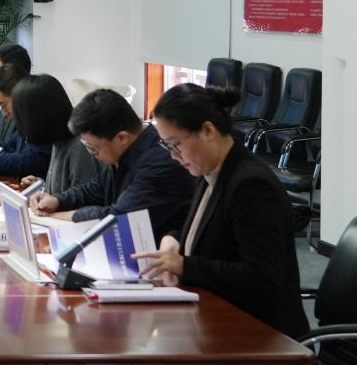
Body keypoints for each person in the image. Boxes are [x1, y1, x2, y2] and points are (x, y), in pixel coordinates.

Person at [132, 84, 308, 337]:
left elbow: (261, 277)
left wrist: (185, 266)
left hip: (260, 333)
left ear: (207, 131)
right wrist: (174, 239)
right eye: (167, 147)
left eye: (175, 144)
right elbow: (213, 232)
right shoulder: (210, 171)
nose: (173, 156)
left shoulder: (251, 185)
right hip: (217, 316)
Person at [29, 88, 194, 242]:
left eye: (93, 149)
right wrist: (57, 200)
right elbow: (96, 189)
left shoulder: (160, 164)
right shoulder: (125, 152)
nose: (91, 154)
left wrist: (56, 216)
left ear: (122, 138)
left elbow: (118, 218)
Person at [13, 74, 103, 195]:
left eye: (23, 117)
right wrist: (41, 186)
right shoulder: (57, 138)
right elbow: (63, 192)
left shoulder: (80, 148)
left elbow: (83, 201)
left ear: (39, 116)